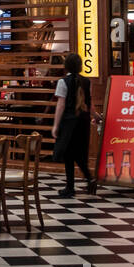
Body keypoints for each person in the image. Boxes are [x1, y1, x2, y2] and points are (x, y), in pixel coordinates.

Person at [52, 52, 96, 198]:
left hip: (69, 122)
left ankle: (70, 187)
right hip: (83, 122)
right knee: (80, 153)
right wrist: (97, 117)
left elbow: (61, 105)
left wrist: (55, 125)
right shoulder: (87, 81)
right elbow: (90, 104)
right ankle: (90, 178)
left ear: (66, 66)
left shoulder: (63, 82)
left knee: (68, 154)